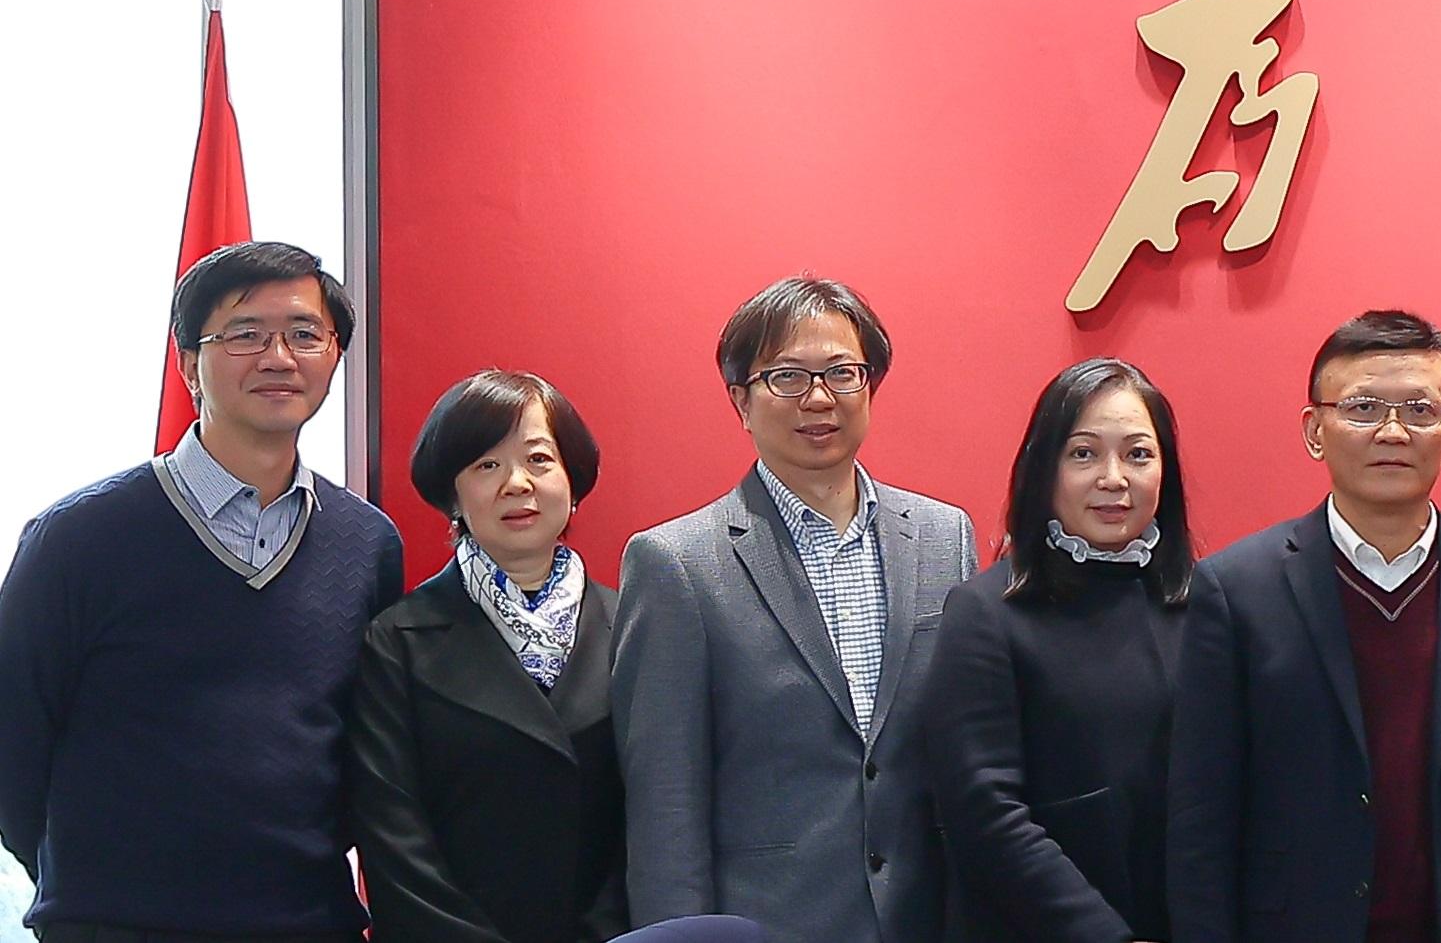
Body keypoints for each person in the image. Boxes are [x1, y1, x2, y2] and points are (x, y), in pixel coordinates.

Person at [0, 241, 406, 943]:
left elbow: (363, 747)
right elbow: (12, 750)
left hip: (308, 924)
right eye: (245, 333)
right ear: (189, 362)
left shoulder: (366, 544)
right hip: (115, 926)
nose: (279, 355)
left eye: (305, 333)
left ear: (334, 356)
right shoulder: (78, 537)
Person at [1166, 309, 1441, 943]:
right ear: (1314, 430)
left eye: (1420, 410)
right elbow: (1201, 815)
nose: (1392, 431)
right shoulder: (1235, 589)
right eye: (1362, 408)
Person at [615, 275, 976, 943]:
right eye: (786, 376)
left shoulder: (943, 536)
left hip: (929, 919)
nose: (818, 397)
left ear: (870, 385)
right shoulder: (676, 564)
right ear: (741, 400)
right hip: (771, 925)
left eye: (842, 372)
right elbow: (667, 802)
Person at [913, 358, 1198, 943]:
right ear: (1044, 469)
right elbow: (985, 815)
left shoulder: (1206, 606)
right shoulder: (985, 613)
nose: (1114, 478)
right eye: (1084, 453)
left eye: (1139, 454)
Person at [349, 370, 628, 943]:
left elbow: (659, 811)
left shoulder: (634, 626)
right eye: (486, 465)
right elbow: (392, 837)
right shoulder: (398, 640)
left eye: (539, 460)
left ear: (573, 479)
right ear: (452, 493)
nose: (517, 484)